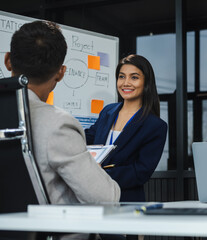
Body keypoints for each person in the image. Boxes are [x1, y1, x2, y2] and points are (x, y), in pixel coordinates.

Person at [4, 20, 120, 204]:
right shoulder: (58, 125)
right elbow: (105, 199)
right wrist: (93, 170)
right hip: (48, 232)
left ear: (8, 60)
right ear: (61, 72)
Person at [86, 54, 167, 202]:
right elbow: (87, 139)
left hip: (125, 200)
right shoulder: (107, 112)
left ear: (146, 82)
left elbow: (140, 172)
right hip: (92, 198)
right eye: (121, 77)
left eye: (134, 77)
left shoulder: (155, 126)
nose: (126, 83)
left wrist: (98, 173)